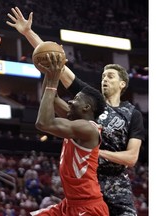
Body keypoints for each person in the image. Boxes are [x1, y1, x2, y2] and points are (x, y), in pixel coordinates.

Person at [6, 6, 145, 216]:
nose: (104, 79)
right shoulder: (86, 99)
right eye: (103, 75)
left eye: (110, 76)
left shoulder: (130, 112)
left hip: (114, 187)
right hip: (85, 187)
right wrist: (28, 33)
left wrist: (97, 152)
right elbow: (56, 63)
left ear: (123, 84)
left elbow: (132, 158)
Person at [31, 52, 109, 215]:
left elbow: (43, 123)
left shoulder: (88, 130)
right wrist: (51, 72)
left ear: (86, 108)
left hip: (88, 207)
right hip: (70, 204)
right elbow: (51, 98)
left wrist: (53, 79)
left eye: (76, 99)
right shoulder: (76, 122)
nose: (70, 102)